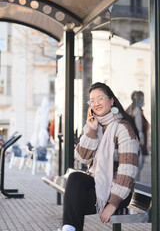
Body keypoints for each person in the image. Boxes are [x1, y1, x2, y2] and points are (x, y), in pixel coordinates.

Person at [58, 82, 139, 231]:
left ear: (111, 100)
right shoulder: (95, 125)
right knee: (75, 178)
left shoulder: (123, 128)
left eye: (100, 98)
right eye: (92, 100)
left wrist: (112, 204)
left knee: (74, 201)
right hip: (99, 184)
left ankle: (69, 228)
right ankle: (68, 229)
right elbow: (81, 157)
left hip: (118, 192)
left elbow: (128, 171)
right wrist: (91, 132)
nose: (96, 103)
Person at [126, 91, 150, 181]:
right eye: (141, 98)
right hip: (137, 143)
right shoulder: (136, 110)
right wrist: (141, 140)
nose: (142, 100)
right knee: (137, 167)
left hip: (134, 142)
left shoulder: (131, 109)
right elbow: (139, 128)